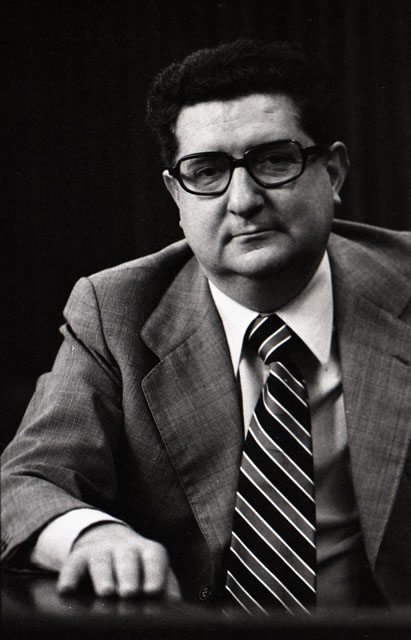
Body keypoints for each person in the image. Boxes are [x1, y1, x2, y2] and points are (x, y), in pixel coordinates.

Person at [2, 39, 411, 614]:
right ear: (176, 194)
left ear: (333, 172)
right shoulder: (116, 310)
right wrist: (91, 535)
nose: (243, 200)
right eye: (207, 171)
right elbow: (24, 482)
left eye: (275, 160)